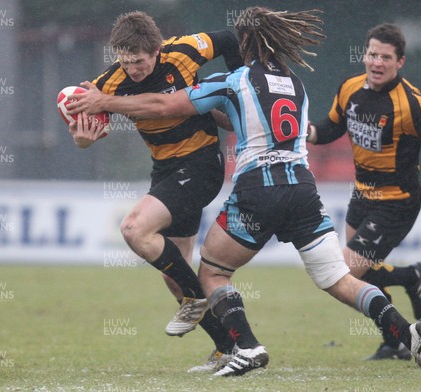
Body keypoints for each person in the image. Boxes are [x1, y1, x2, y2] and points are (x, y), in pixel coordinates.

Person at [67, 7, 421, 377]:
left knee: (213, 273)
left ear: (246, 40)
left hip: (258, 192)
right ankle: (409, 331)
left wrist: (103, 102)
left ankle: (246, 345)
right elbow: (236, 117)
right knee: (340, 280)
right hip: (303, 191)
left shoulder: (232, 81)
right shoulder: (295, 84)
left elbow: (168, 103)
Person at [66, 11, 244, 372]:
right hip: (165, 170)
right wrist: (82, 140)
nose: (133, 69)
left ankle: (196, 298)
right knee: (172, 276)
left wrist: (243, 85)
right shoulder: (108, 83)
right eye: (125, 61)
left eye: (140, 61)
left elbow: (229, 38)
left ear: (157, 50)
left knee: (134, 228)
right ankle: (229, 348)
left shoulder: (184, 50)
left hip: (202, 163)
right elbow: (85, 135)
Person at [306, 23, 421, 360]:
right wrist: (307, 132)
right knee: (355, 277)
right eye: (372, 54)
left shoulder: (413, 104)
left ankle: (408, 278)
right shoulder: (350, 88)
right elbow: (333, 126)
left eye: (385, 57)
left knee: (343, 273)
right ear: (364, 54)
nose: (377, 63)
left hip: (397, 203)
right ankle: (394, 341)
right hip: (361, 196)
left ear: (399, 62)